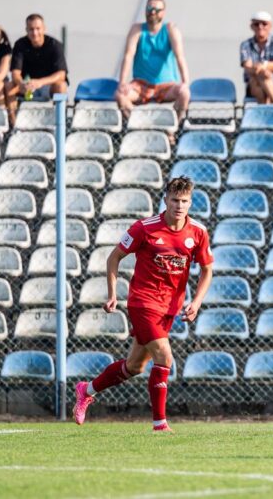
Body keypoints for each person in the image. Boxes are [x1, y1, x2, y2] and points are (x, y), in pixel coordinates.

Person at [73, 177, 213, 433]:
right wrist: (113, 294)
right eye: (175, 200)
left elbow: (207, 269)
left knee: (134, 366)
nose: (179, 206)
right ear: (166, 200)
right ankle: (160, 424)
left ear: (190, 202)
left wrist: (196, 302)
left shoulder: (198, 232)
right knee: (164, 356)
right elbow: (114, 258)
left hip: (169, 309)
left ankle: (86, 390)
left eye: (184, 201)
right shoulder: (144, 228)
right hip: (143, 302)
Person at [116, 0, 191, 121]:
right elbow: (128, 56)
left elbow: (180, 57)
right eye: (149, 9)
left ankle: (173, 126)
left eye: (157, 9)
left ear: (163, 12)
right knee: (120, 95)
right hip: (141, 86)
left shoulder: (171, 30)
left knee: (185, 93)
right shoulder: (137, 30)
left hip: (167, 86)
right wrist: (123, 83)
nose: (152, 12)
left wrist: (185, 83)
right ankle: (139, 123)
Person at [5, 14, 68, 125]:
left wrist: (40, 82)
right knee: (9, 86)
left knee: (61, 86)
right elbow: (15, 73)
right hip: (26, 87)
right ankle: (13, 125)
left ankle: (60, 124)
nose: (35, 33)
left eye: (38, 28)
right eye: (31, 29)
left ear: (44, 29)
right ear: (26, 30)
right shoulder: (20, 45)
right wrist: (21, 84)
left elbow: (61, 74)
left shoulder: (55, 45)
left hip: (47, 86)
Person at [240, 10, 273, 105]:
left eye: (264, 24)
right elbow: (248, 68)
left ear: (270, 25)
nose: (260, 27)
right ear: (251, 26)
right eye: (256, 24)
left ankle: (264, 109)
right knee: (259, 77)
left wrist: (262, 66)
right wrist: (262, 70)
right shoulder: (245, 44)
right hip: (253, 83)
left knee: (263, 76)